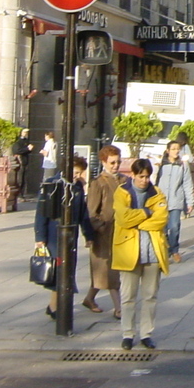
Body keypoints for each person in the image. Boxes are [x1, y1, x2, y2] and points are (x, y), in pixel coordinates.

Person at [112, 158, 169, 349]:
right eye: (141, 176)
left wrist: (136, 221)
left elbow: (161, 219)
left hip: (152, 252)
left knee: (150, 296)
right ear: (133, 175)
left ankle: (146, 333)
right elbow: (123, 218)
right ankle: (127, 334)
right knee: (128, 296)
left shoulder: (157, 192)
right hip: (129, 251)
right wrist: (146, 212)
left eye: (147, 176)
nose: (144, 180)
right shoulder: (122, 192)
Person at [34, 156, 95, 318]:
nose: (77, 175)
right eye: (75, 172)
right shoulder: (52, 184)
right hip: (54, 234)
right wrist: (40, 237)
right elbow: (41, 211)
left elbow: (83, 214)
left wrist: (88, 235)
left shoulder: (78, 187)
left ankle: (55, 305)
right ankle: (55, 307)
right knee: (59, 270)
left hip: (71, 235)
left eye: (80, 173)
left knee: (68, 269)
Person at [82, 146, 123, 317]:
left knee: (103, 273)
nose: (116, 165)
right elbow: (91, 211)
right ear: (104, 162)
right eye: (112, 162)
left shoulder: (124, 180)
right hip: (104, 234)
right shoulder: (97, 183)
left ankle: (89, 298)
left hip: (121, 232)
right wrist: (98, 229)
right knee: (108, 271)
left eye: (118, 162)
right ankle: (119, 308)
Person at [157, 140, 194, 264]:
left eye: (177, 149)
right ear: (168, 151)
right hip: (161, 201)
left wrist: (190, 201)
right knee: (162, 228)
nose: (176, 151)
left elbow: (187, 183)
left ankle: (175, 250)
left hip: (176, 200)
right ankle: (166, 249)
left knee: (174, 227)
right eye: (173, 149)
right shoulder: (161, 164)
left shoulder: (183, 165)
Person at [11, 128, 36, 199]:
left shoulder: (26, 141)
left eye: (27, 133)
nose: (26, 134)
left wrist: (29, 149)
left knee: (23, 178)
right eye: (24, 132)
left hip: (25, 161)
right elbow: (17, 151)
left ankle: (22, 193)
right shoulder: (18, 142)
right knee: (20, 179)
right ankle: (19, 194)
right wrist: (27, 149)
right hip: (20, 162)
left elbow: (27, 150)